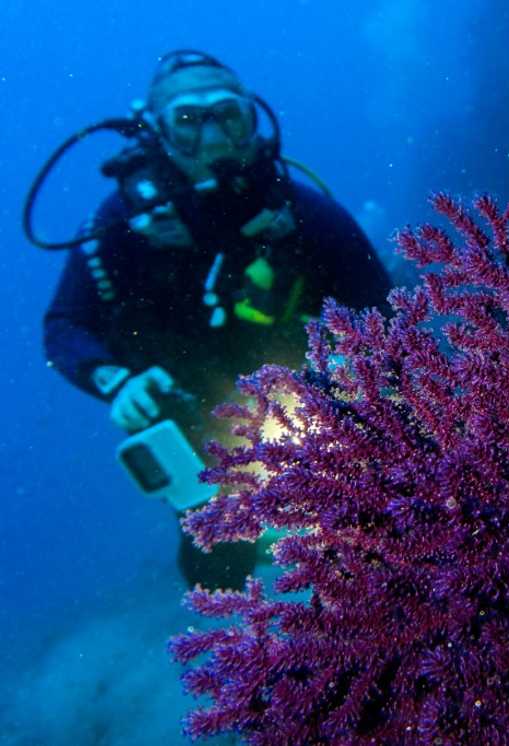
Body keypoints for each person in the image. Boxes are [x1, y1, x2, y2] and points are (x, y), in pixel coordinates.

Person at [41, 50, 393, 590]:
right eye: (187, 121)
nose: (212, 138)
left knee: (372, 545)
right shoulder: (120, 226)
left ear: (253, 120)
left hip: (309, 410)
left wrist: (355, 368)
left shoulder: (298, 211)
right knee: (214, 570)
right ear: (155, 130)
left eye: (228, 115)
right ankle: (262, 659)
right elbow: (64, 326)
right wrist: (114, 380)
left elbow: (379, 304)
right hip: (194, 430)